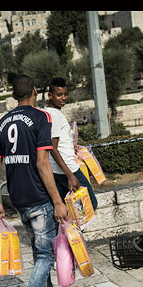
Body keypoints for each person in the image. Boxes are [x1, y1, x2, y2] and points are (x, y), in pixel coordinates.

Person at [0, 75, 70, 287]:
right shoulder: (41, 118)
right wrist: (58, 201)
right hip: (39, 197)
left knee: (39, 252)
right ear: (36, 91)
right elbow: (43, 163)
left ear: (14, 96)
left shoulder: (1, 123)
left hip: (18, 197)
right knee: (46, 256)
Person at [44, 77, 98, 211]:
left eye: (65, 94)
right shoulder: (54, 115)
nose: (63, 98)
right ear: (50, 96)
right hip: (68, 169)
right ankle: (75, 231)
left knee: (70, 209)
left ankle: (70, 232)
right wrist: (70, 175)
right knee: (90, 204)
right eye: (59, 94)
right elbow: (53, 148)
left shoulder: (47, 113)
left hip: (57, 170)